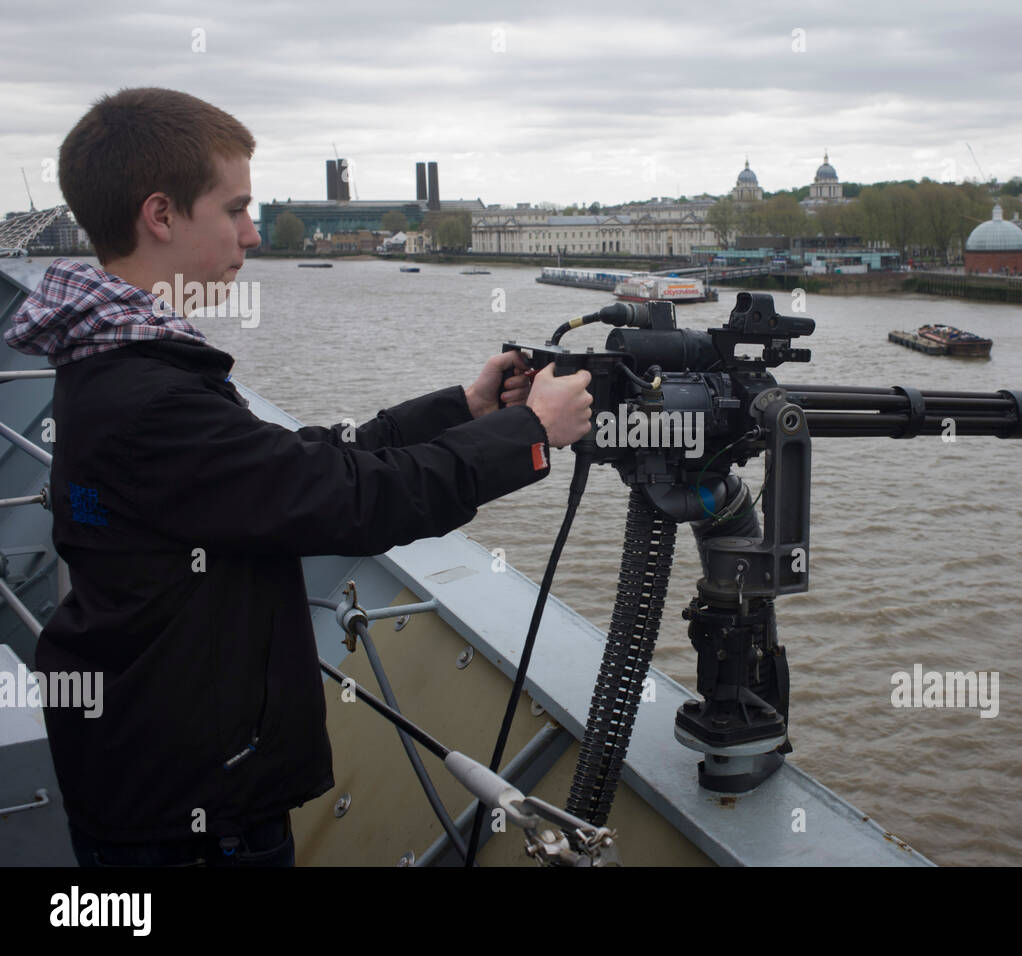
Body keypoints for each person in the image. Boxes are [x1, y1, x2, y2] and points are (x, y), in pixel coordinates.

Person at [3, 87, 592, 866]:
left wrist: (465, 408)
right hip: (193, 812)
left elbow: (294, 464)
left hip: (148, 768)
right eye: (236, 208)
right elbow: (352, 501)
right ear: (161, 215)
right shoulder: (147, 394)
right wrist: (529, 432)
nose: (253, 231)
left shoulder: (114, 356)